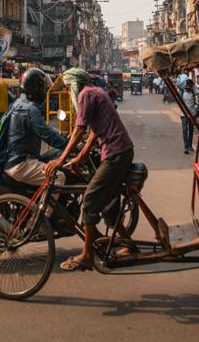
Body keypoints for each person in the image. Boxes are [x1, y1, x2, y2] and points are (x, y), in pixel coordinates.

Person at [45, 68, 134, 271]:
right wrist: (80, 156)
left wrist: (61, 159)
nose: (68, 92)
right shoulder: (95, 92)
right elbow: (94, 131)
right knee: (107, 203)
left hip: (115, 154)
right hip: (119, 152)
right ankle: (129, 243)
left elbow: (80, 130)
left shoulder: (85, 95)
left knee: (89, 201)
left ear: (74, 84)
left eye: (68, 87)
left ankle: (87, 255)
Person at [2, 68, 68, 190]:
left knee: (51, 156)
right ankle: (47, 209)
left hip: (15, 158)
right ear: (35, 89)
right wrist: (68, 145)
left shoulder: (19, 103)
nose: (44, 92)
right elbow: (47, 135)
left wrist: (59, 133)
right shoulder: (30, 109)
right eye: (43, 88)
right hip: (21, 163)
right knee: (59, 176)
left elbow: (42, 127)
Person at [180, 79, 199, 154]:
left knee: (190, 130)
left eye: (189, 85)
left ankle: (190, 146)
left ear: (191, 86)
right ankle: (186, 147)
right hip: (183, 115)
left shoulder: (193, 92)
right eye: (187, 85)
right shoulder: (181, 93)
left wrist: (195, 85)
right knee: (184, 131)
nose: (188, 87)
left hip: (192, 115)